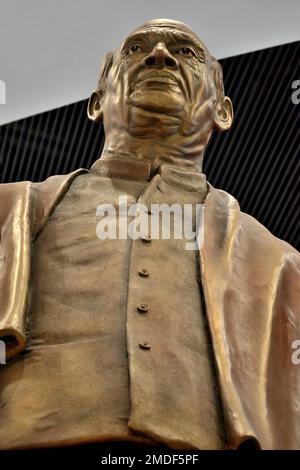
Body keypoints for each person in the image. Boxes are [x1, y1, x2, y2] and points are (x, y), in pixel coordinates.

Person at [0, 18, 299, 450]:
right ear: (97, 102)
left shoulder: (279, 267)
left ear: (223, 111)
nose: (159, 54)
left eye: (185, 52)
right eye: (136, 49)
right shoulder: (10, 212)